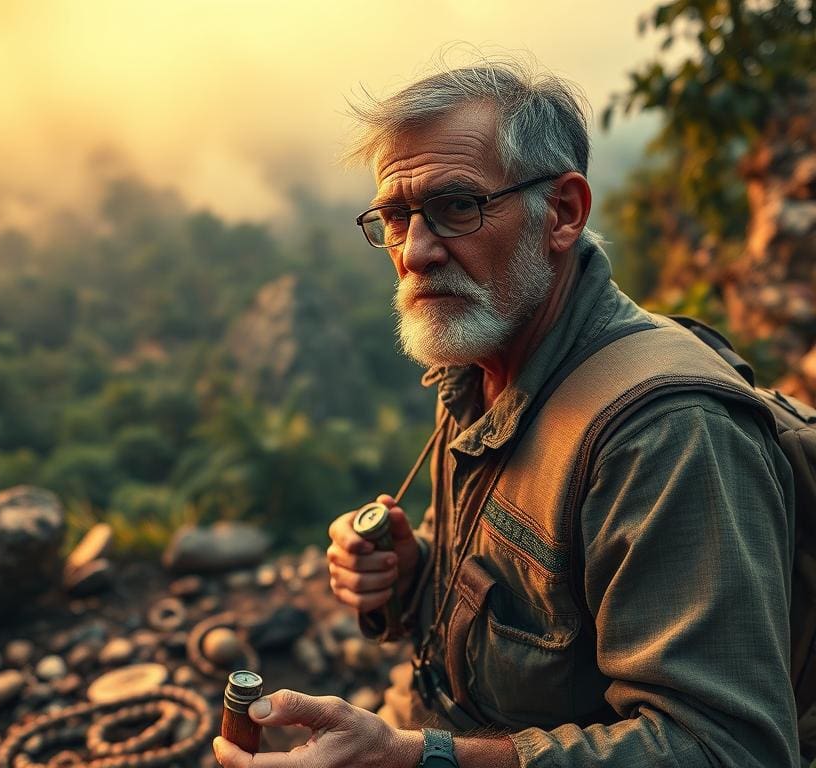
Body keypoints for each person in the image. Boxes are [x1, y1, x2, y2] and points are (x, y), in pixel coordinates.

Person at [212, 57, 799, 768]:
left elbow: (723, 747)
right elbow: (526, 594)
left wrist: (413, 758)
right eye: (395, 218)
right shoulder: (478, 362)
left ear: (562, 213)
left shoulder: (666, 435)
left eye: (458, 206)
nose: (417, 252)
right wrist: (412, 572)